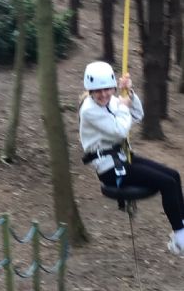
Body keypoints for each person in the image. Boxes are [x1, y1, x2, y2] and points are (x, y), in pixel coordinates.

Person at [79, 61, 184, 256]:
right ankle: (180, 237)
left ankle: (182, 224)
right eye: (97, 91)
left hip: (123, 158)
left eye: (107, 89)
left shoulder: (112, 101)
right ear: (90, 91)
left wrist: (129, 94)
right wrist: (122, 107)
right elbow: (120, 130)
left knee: (174, 175)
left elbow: (137, 115)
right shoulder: (89, 110)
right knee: (167, 183)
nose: (103, 95)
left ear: (113, 87)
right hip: (110, 169)